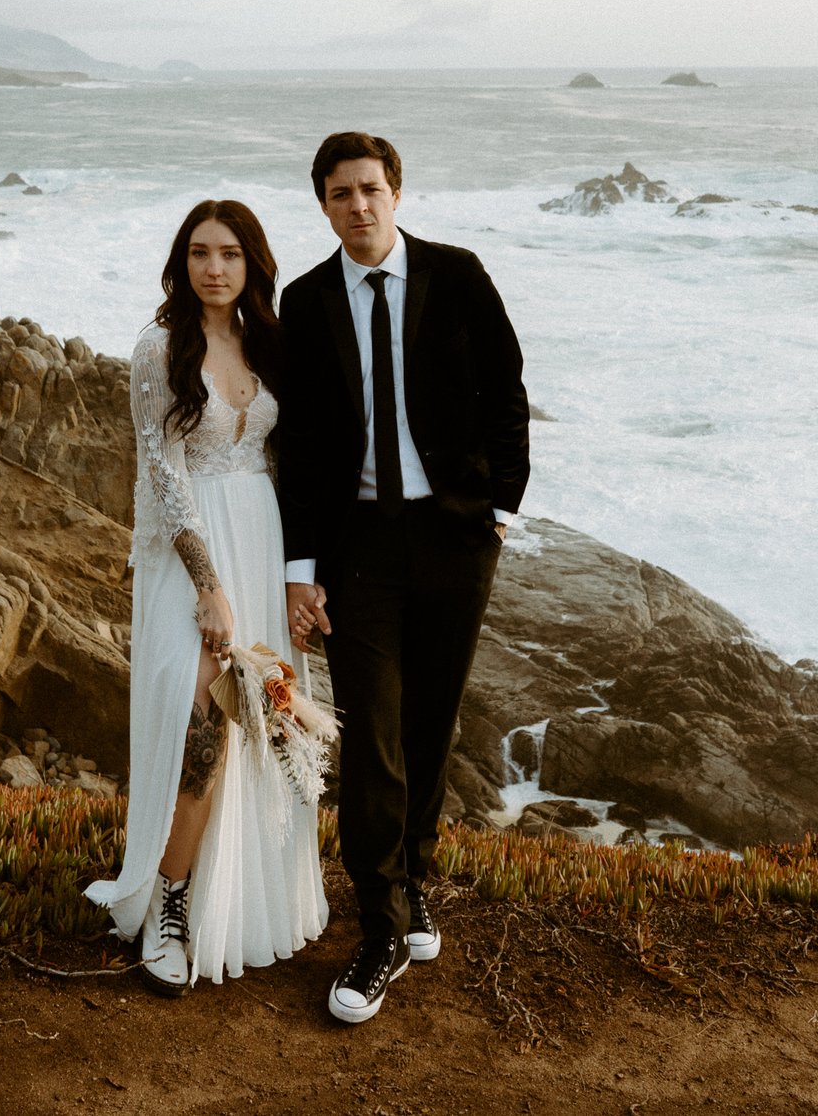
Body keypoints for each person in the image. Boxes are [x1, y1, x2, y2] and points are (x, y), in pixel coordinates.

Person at [274, 132, 530, 1025]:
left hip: (456, 537)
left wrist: (500, 507)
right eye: (341, 193)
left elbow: (507, 389)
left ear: (397, 192)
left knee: (431, 721)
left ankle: (415, 877)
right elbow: (299, 447)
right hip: (360, 548)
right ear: (324, 204)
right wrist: (301, 569)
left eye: (371, 189)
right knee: (372, 733)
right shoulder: (305, 302)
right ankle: (379, 927)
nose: (359, 205)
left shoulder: (457, 276)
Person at [85, 199, 327, 993]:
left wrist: (302, 574)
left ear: (252, 262)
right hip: (192, 557)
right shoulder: (158, 349)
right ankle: (168, 901)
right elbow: (166, 475)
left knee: (265, 715)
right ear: (180, 263)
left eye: (228, 253)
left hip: (261, 533)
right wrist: (209, 586)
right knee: (204, 719)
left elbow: (296, 461)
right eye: (198, 252)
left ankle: (250, 901)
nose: (213, 267)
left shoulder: (271, 343)